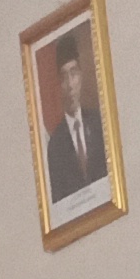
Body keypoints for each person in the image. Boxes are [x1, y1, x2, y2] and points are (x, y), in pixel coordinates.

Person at [39, 39, 109, 202]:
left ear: (81, 76)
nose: (70, 84)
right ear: (58, 84)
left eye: (74, 73)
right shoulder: (55, 145)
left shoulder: (100, 123)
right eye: (64, 77)